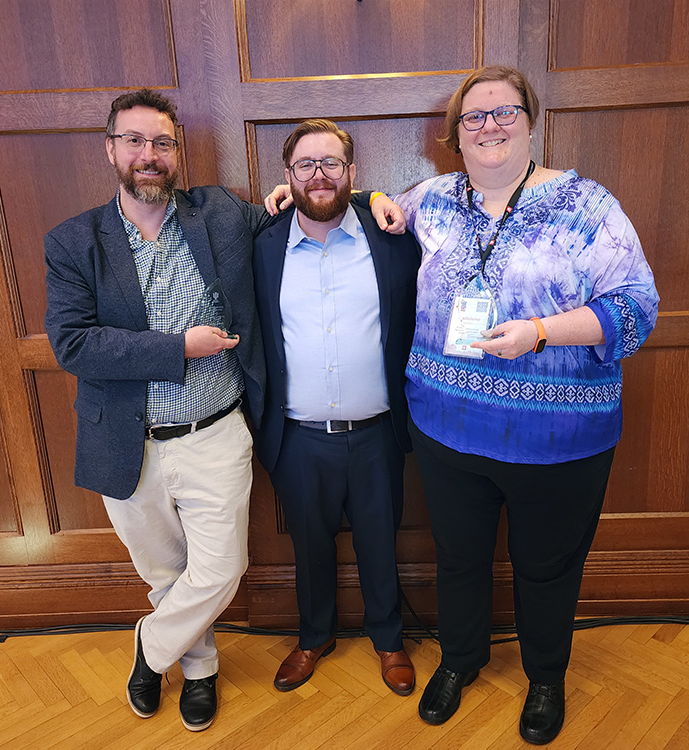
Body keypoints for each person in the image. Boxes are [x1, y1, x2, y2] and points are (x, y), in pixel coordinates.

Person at [268, 65, 658, 745]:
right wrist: (295, 189)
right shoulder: (432, 199)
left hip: (560, 441)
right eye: (474, 117)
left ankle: (544, 679)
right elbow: (356, 204)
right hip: (448, 433)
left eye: (504, 111)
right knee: (459, 559)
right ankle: (459, 661)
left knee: (546, 567)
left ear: (530, 120)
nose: (490, 126)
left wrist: (542, 331)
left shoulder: (588, 204)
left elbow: (638, 308)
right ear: (454, 135)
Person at [44, 88, 276, 733]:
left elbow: (300, 213)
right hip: (126, 440)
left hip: (216, 433)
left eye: (163, 143)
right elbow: (74, 344)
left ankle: (150, 650)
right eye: (136, 141)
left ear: (178, 152)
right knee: (165, 573)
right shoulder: (73, 242)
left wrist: (370, 201)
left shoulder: (221, 214)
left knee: (222, 569)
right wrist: (178, 347)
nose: (150, 155)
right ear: (111, 149)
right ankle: (198, 671)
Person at [252, 120, 420, 695]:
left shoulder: (392, 236)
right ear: (288, 176)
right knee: (309, 544)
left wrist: (377, 199)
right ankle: (313, 635)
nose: (318, 174)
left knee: (380, 538)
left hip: (378, 430)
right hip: (297, 437)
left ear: (352, 173)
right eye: (305, 165)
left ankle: (390, 639)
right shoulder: (263, 245)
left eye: (331, 163)